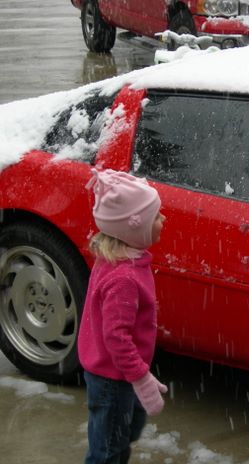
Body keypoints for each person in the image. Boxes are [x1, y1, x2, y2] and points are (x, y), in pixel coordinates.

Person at [79, 168, 168, 464]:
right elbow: (116, 337)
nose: (164, 219)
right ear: (134, 228)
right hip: (112, 378)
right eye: (156, 216)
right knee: (108, 450)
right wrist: (141, 379)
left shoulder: (119, 260)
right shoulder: (124, 278)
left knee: (124, 433)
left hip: (116, 371)